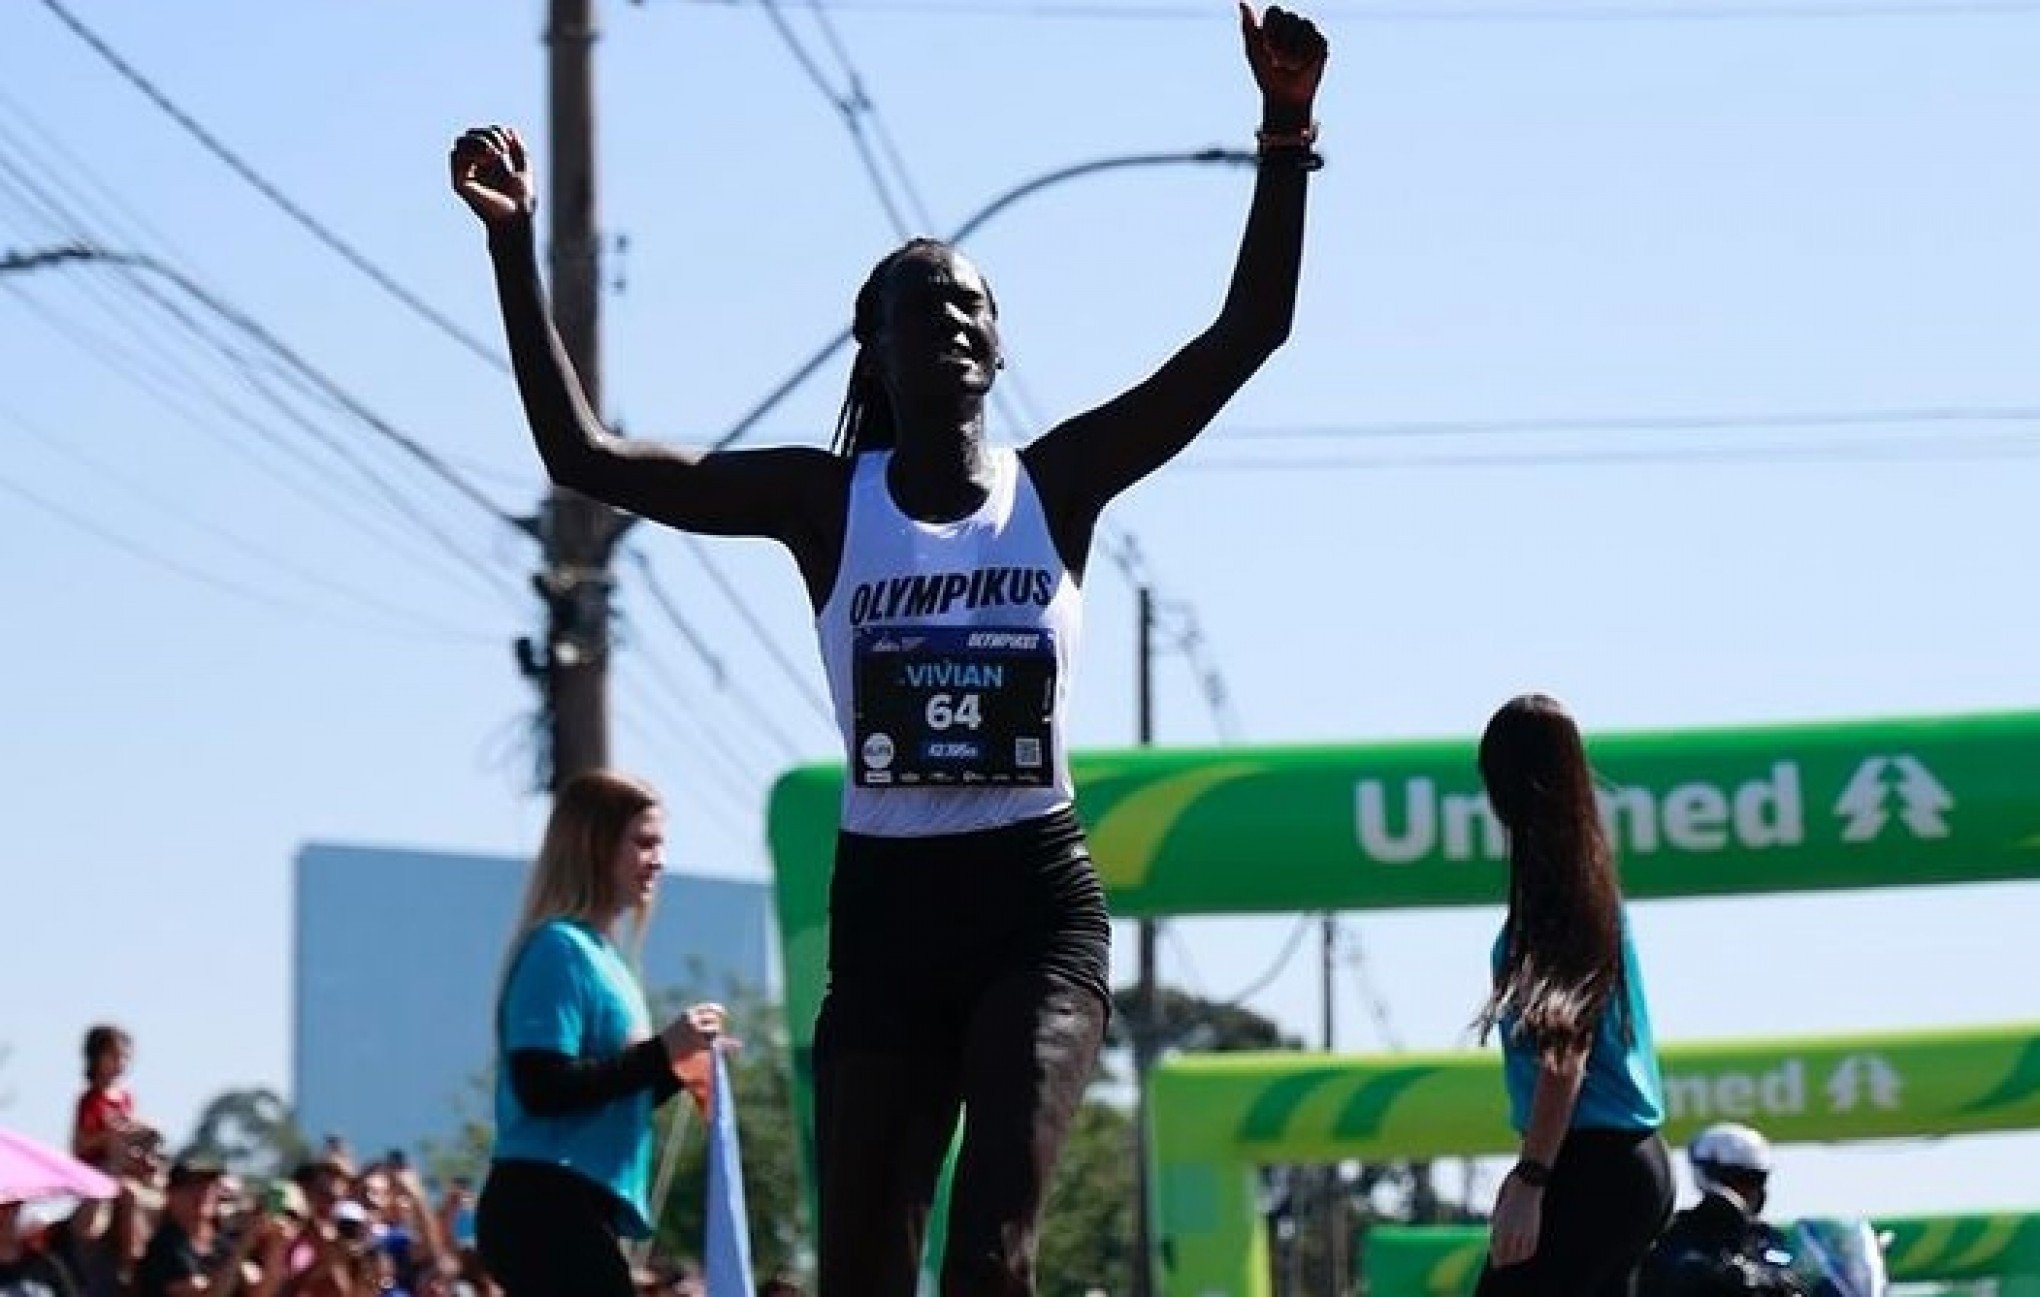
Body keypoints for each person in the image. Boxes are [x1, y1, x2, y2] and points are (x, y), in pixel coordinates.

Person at [451, 8, 1328, 1293]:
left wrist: (1287, 130)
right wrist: (514, 246)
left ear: (1000, 344)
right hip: (887, 914)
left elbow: (1247, 333)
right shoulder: (825, 503)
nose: (956, 326)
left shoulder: (1061, 483)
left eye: (974, 309)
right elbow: (584, 455)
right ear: (878, 346)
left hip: (1034, 904)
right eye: (925, 312)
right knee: (865, 1265)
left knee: (988, 1251)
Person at [472, 770, 726, 1297]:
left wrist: (679, 1065)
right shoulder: (558, 948)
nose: (658, 861)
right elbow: (543, 1087)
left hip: (578, 1202)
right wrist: (661, 1053)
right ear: (595, 846)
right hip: (543, 1200)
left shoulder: (607, 959)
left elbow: (610, 1097)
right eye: (644, 843)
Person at [1472, 694, 1675, 1296]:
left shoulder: (1556, 898)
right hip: (1631, 1163)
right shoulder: (1590, 889)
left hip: (1593, 1163)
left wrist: (1533, 1177)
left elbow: (1566, 1052)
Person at [1641, 1124, 1805, 1296]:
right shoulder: (1676, 1234)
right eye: (1740, 1179)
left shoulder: (1765, 1237)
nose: (1750, 1190)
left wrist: (1769, 1279)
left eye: (1758, 1179)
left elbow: (1796, 1279)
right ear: (1710, 1174)